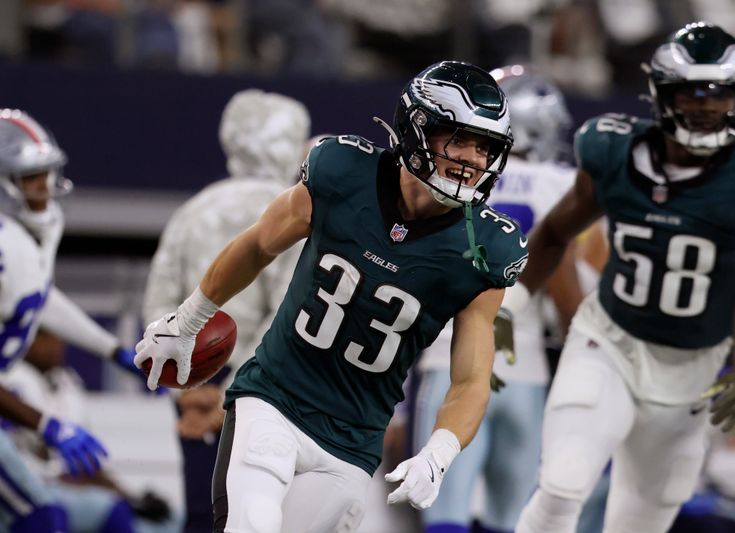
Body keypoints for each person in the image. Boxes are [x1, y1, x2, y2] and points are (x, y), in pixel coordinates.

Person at [133, 60, 528, 533]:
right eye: (458, 138)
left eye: (485, 147)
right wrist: (191, 317)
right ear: (416, 128)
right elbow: (259, 244)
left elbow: (469, 379)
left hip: (353, 439)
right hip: (275, 397)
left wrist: (439, 453)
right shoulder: (342, 171)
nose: (472, 159)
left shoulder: (484, 247)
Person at [506, 21, 735, 533]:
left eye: (722, 94)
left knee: (638, 523)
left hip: (693, 370)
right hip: (609, 343)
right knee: (561, 485)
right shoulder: (613, 151)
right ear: (662, 95)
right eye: (693, 92)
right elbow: (553, 235)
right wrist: (509, 307)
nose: (708, 106)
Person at [412, 64, 583, 533]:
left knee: (443, 514)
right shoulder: (557, 185)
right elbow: (568, 290)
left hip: (448, 362)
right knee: (512, 520)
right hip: (523, 366)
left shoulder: (446, 174)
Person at [141, 88, 311, 533]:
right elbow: (289, 315)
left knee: (202, 513)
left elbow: (158, 307)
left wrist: (186, 388)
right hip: (268, 385)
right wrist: (234, 393)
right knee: (263, 514)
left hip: (195, 379)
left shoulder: (191, 211)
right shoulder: (291, 212)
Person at [0, 108, 150, 531]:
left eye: (47, 175)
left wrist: (113, 349)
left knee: (43, 515)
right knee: (39, 515)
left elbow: (37, 297)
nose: (44, 189)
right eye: (30, 178)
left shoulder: (22, 242)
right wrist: (48, 426)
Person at [0, 329, 179, 533]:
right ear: (27, 340)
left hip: (71, 486)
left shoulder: (66, 382)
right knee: (108, 512)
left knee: (171, 520)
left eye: (58, 339)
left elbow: (86, 463)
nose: (55, 347)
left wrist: (130, 497)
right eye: (44, 338)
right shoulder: (14, 380)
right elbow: (27, 466)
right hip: (34, 485)